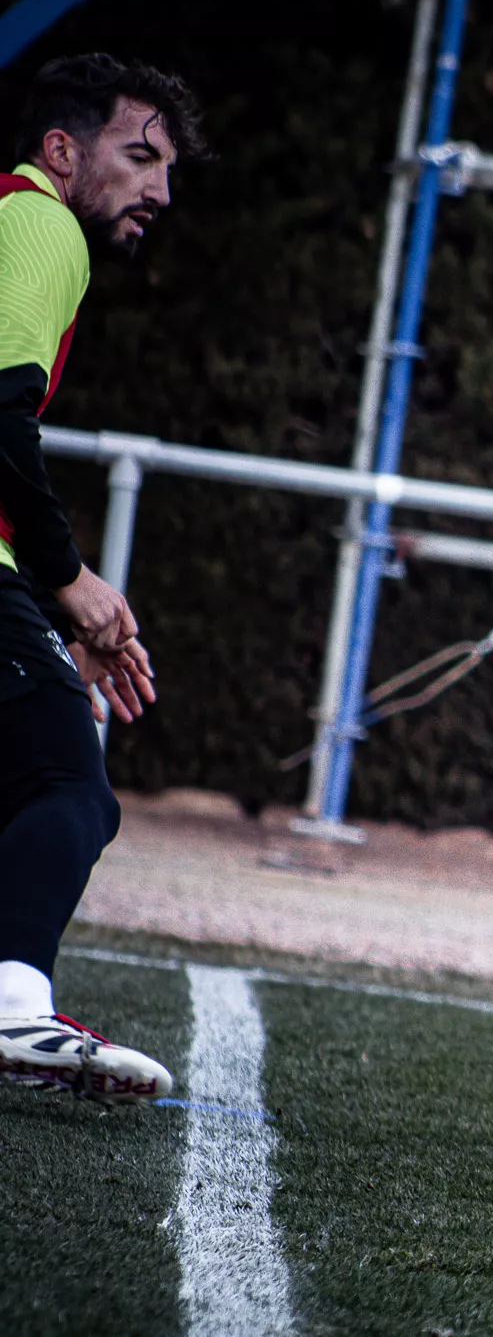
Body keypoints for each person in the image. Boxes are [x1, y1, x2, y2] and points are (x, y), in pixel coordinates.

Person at [0, 56, 206, 1104]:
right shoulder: (39, 223)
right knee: (67, 789)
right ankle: (13, 1010)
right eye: (141, 156)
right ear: (61, 152)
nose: (160, 192)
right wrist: (67, 579)